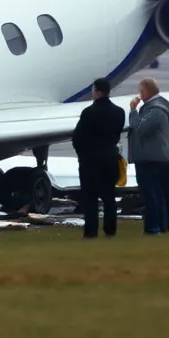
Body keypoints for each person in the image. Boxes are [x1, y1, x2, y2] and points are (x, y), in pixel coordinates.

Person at [71, 77, 125, 239]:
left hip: (91, 160)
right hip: (110, 158)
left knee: (90, 197)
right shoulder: (119, 112)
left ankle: (91, 230)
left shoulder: (88, 112)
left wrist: (82, 155)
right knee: (109, 196)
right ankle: (110, 230)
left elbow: (78, 138)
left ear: (98, 92)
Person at [128, 77, 169, 235]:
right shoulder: (162, 106)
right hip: (157, 156)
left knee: (151, 194)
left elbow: (140, 128)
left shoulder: (155, 109)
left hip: (150, 157)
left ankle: (153, 227)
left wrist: (133, 110)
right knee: (158, 193)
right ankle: (161, 226)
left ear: (145, 91)